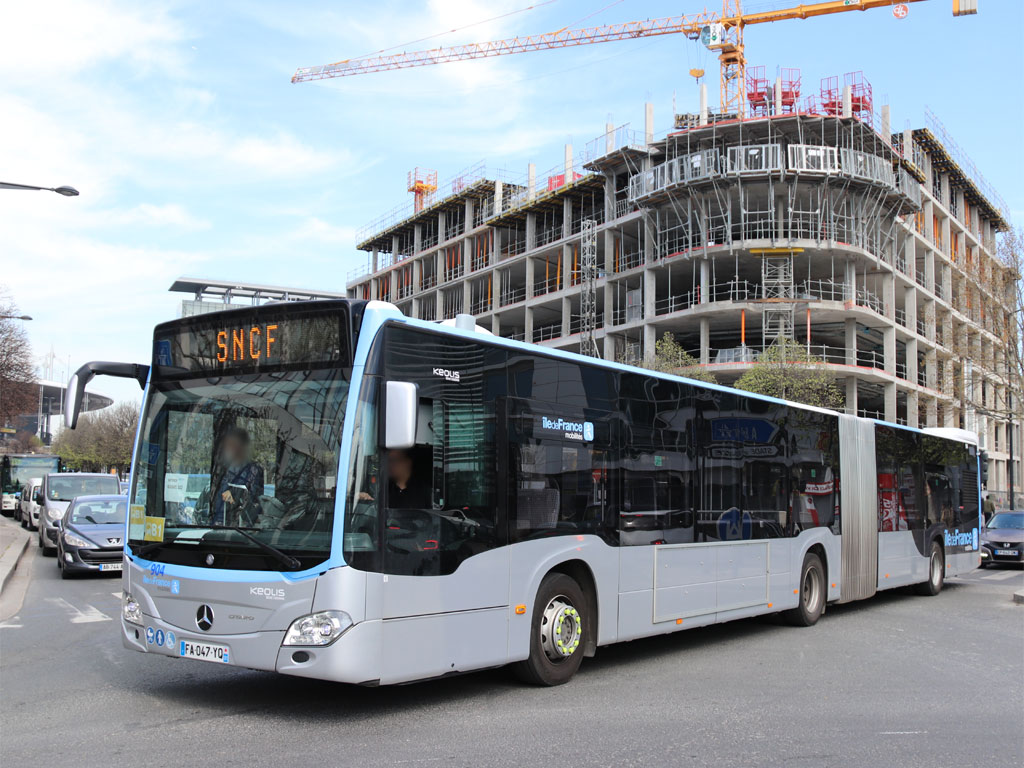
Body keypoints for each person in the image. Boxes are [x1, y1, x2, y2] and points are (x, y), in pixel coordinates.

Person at [212, 427, 264, 525]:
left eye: (233, 445)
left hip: (238, 528)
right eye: (227, 446)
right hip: (217, 525)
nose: (229, 449)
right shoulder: (219, 470)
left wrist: (232, 501)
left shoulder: (253, 471)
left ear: (243, 447)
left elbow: (253, 503)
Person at [359, 448, 430, 510]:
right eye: (389, 461)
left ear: (407, 462)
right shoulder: (381, 488)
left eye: (395, 460)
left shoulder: (423, 491)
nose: (390, 465)